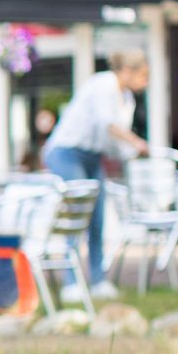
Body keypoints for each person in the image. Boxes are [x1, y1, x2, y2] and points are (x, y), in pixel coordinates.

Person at [42, 50, 151, 302]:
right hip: (67, 152)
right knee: (76, 215)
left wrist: (131, 152)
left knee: (98, 216)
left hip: (93, 156)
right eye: (143, 75)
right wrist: (137, 143)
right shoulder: (103, 84)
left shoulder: (127, 99)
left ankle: (98, 280)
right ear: (128, 71)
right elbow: (108, 124)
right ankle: (71, 283)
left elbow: (113, 142)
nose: (145, 82)